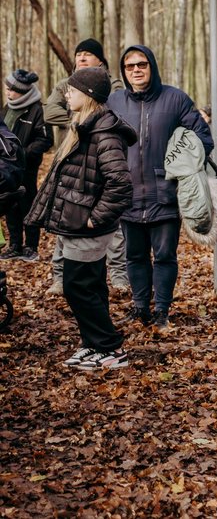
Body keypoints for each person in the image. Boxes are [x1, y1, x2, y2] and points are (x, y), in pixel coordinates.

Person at [25, 67, 136, 370]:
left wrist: (94, 219)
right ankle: (93, 343)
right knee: (91, 285)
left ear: (88, 95)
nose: (66, 94)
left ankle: (110, 348)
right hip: (76, 221)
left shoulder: (104, 133)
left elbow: (120, 184)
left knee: (77, 287)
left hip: (87, 225)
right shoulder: (83, 126)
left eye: (72, 90)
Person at [108, 45, 212, 329]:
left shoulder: (175, 99)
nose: (136, 70)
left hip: (165, 192)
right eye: (130, 66)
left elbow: (203, 139)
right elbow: (102, 141)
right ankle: (141, 308)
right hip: (128, 193)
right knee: (134, 256)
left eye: (141, 64)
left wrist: (179, 165)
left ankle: (162, 311)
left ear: (151, 66)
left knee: (165, 256)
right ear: (124, 71)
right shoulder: (114, 102)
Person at [44, 38, 129, 296]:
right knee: (66, 219)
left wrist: (89, 118)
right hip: (73, 156)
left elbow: (115, 112)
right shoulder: (66, 84)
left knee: (110, 226)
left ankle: (118, 277)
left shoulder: (114, 85)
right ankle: (60, 277)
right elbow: (49, 112)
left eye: (88, 54)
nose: (81, 58)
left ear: (100, 60)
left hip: (100, 160)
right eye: (78, 54)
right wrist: (77, 119)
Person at [0, 69, 52, 261]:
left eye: (12, 89)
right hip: (7, 170)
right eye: (7, 88)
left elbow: (45, 140)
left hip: (27, 168)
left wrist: (22, 154)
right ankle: (15, 245)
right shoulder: (7, 108)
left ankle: (31, 246)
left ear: (23, 91)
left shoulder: (38, 110)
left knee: (29, 206)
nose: (8, 92)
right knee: (10, 205)